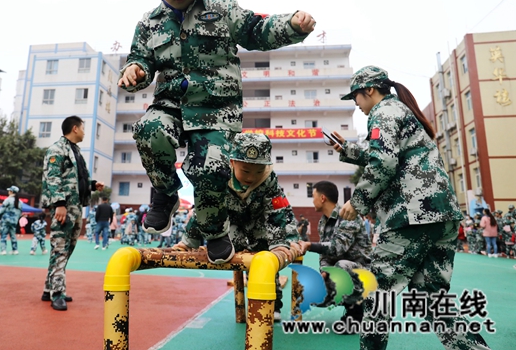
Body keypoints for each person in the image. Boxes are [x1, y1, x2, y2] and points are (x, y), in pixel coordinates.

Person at [118, 0, 315, 265]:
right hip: (171, 105)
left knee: (211, 169)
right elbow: (140, 61)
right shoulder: (148, 24)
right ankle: (164, 194)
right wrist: (134, 72)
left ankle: (213, 229)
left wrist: (293, 25)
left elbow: (257, 29)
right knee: (149, 128)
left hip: (216, 110)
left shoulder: (222, 9)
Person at [332, 66, 489, 348]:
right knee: (432, 298)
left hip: (411, 216)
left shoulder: (384, 112)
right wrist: (348, 150)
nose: (356, 104)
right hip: (440, 215)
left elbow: (384, 162)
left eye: (356, 96)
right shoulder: (400, 112)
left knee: (378, 295)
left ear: (369, 90)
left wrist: (358, 202)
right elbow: (388, 154)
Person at [179, 133, 299, 322]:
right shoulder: (219, 176)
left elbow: (278, 210)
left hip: (259, 224)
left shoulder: (269, 180)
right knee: (232, 250)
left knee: (266, 259)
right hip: (230, 224)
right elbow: (205, 210)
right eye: (246, 171)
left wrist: (281, 244)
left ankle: (274, 305)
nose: (252, 177)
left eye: (259, 171)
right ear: (233, 162)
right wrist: (189, 242)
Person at [40, 115, 104, 311]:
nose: (85, 132)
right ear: (75, 128)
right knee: (60, 248)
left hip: (76, 207)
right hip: (64, 208)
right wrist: (59, 203)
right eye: (83, 128)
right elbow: (52, 177)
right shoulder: (57, 149)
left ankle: (48, 288)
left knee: (66, 250)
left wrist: (92, 185)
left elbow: (77, 178)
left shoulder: (75, 151)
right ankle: (57, 293)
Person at [299, 181, 371, 327]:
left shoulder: (348, 216)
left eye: (313, 196)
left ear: (323, 198)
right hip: (342, 268)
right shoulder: (323, 222)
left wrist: (309, 245)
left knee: (341, 266)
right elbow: (325, 255)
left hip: (363, 272)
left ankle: (356, 314)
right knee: (311, 293)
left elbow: (337, 248)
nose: (312, 200)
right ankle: (344, 301)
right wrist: (324, 272)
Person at [0, 186, 22, 255]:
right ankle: (15, 250)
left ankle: (3, 250)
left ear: (11, 192)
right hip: (14, 221)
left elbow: (2, 209)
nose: (8, 192)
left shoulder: (8, 199)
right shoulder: (20, 202)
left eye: (9, 191)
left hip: (6, 220)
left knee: (3, 235)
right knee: (13, 235)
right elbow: (20, 213)